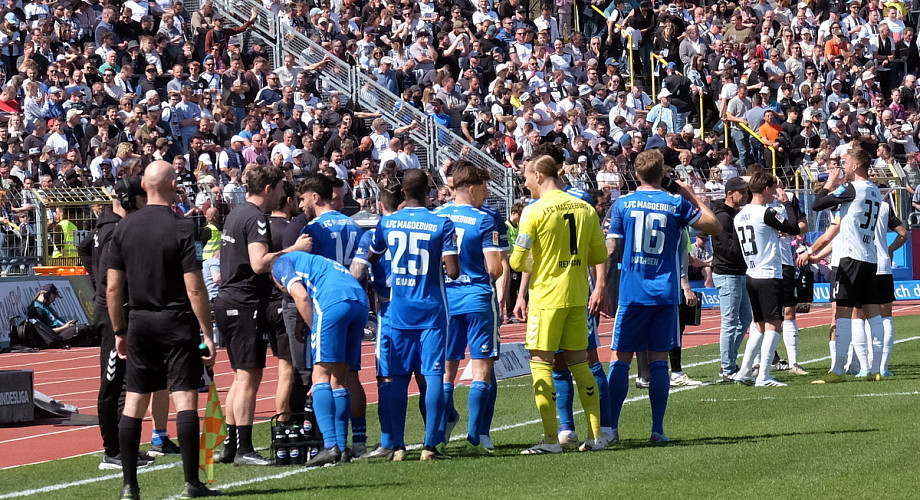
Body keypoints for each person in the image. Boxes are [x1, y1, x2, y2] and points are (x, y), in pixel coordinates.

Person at [105, 161, 219, 499]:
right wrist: (207, 332)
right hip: (176, 320)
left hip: (139, 322)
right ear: (171, 185)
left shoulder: (124, 227)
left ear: (144, 186)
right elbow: (195, 287)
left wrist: (119, 330)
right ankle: (192, 482)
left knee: (135, 401)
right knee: (185, 398)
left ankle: (129, 486)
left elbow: (113, 288)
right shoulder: (181, 226)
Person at [606, 149, 720, 443]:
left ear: (635, 172)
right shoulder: (675, 203)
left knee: (620, 358)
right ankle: (657, 429)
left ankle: (610, 429)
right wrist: (689, 194)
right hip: (665, 292)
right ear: (663, 174)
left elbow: (611, 249)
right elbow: (714, 225)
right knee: (659, 361)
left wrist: (601, 287)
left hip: (632, 292)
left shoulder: (623, 204)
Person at [510, 154, 608, 454]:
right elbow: (598, 255)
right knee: (580, 364)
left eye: (527, 177)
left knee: (541, 364)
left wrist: (538, 258)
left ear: (539, 176)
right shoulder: (584, 208)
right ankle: (596, 436)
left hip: (546, 298)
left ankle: (552, 439)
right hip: (577, 295)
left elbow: (517, 262)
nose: (525, 183)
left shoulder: (534, 211)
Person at [215, 164, 312, 466]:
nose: (283, 195)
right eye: (280, 189)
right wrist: (294, 249)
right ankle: (244, 448)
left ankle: (232, 444)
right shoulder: (255, 217)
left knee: (240, 376)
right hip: (242, 301)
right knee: (249, 376)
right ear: (268, 189)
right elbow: (258, 263)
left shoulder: (236, 212)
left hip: (229, 299)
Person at [367, 168, 460, 461]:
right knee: (433, 376)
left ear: (403, 192)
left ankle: (397, 446)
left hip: (399, 310)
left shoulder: (387, 222)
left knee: (397, 377)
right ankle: (431, 446)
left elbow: (372, 256)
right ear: (428, 191)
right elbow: (453, 271)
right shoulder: (441, 223)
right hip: (432, 311)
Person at [94, 176, 176, 471]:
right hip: (114, 314)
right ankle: (112, 450)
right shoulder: (114, 230)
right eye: (141, 199)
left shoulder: (109, 227)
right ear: (129, 200)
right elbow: (111, 280)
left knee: (126, 383)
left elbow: (88, 256)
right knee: (112, 384)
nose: (145, 205)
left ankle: (122, 447)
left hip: (117, 310)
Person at [271, 251, 369, 466]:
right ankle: (342, 447)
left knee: (320, 375)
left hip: (333, 301)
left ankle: (330, 445)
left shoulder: (280, 263)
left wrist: (315, 329)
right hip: (360, 302)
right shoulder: (319, 261)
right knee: (340, 378)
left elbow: (301, 296)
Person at [434, 162, 503, 456]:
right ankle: (475, 437)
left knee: (446, 370)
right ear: (472, 189)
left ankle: (441, 431)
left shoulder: (437, 215)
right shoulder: (484, 219)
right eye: (484, 189)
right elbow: (495, 268)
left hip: (446, 300)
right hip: (476, 297)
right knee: (482, 369)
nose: (486, 195)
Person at [297, 174, 368, 456]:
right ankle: (359, 439)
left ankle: (332, 443)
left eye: (304, 198)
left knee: (324, 374)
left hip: (326, 303)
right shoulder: (354, 225)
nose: (301, 205)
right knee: (351, 375)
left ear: (315, 197)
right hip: (355, 299)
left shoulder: (312, 230)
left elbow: (305, 269)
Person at [802, 149, 885, 383]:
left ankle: (838, 370)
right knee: (873, 313)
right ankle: (876, 369)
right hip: (869, 257)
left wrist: (829, 184)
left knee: (843, 313)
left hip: (850, 257)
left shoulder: (852, 188)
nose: (843, 167)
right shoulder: (875, 190)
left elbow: (818, 204)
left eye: (846, 162)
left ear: (857, 165)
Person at [732, 170, 801, 387]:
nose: (775, 193)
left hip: (751, 273)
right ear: (765, 188)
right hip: (768, 274)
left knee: (760, 325)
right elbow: (793, 227)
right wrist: (787, 203)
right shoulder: (766, 212)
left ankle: (745, 371)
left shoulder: (740, 215)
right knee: (774, 324)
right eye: (773, 189)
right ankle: (763, 375)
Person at [712, 176, 752, 381]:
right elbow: (728, 248)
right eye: (742, 192)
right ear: (730, 194)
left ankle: (729, 362)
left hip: (738, 272)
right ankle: (727, 367)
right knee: (729, 321)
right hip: (727, 273)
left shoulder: (735, 214)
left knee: (744, 319)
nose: (746, 196)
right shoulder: (723, 217)